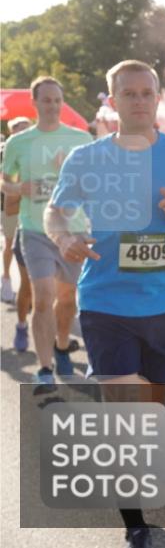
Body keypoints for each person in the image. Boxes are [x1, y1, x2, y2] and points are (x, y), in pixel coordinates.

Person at [45, 59, 165, 548]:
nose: (140, 101)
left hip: (163, 304)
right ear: (113, 101)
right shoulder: (87, 159)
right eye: (129, 94)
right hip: (104, 302)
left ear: (157, 99)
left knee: (151, 410)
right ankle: (136, 524)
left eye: (148, 93)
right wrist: (63, 241)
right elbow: (55, 213)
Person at [1, 77, 92, 391]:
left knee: (67, 299)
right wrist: (19, 187)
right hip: (35, 229)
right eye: (47, 100)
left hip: (73, 231)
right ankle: (43, 369)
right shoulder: (18, 142)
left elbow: (93, 182)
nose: (53, 106)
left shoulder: (80, 139)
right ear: (35, 102)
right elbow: (5, 181)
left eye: (57, 100)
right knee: (43, 297)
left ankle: (62, 343)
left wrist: (68, 172)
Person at [2, 117, 34, 304]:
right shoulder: (5, 151)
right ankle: (6, 278)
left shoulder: (39, 152)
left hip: (32, 207)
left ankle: (28, 290)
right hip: (9, 204)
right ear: (11, 132)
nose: (23, 132)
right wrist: (15, 188)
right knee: (10, 244)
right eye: (18, 129)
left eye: (26, 129)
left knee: (29, 249)